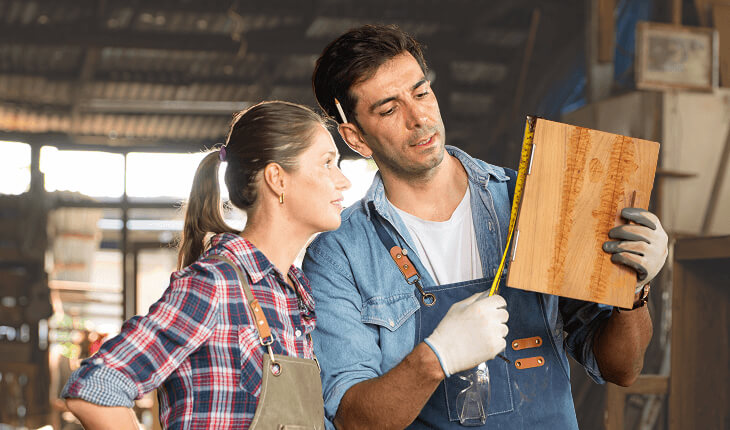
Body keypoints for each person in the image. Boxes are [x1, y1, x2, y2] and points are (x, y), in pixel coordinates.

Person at [302, 25, 668, 429]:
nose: (419, 118)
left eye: (421, 93)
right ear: (356, 138)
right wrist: (434, 358)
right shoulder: (340, 256)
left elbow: (621, 369)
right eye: (389, 109)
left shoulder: (528, 201)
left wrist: (632, 291)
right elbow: (353, 420)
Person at [62, 101, 351, 429]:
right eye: (327, 163)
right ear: (278, 179)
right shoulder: (215, 285)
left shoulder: (295, 296)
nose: (343, 181)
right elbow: (96, 388)